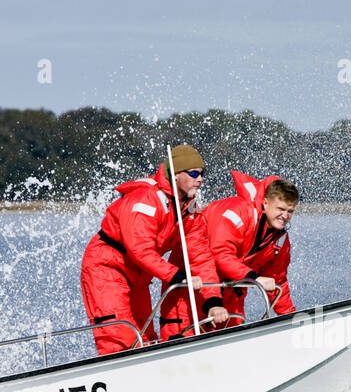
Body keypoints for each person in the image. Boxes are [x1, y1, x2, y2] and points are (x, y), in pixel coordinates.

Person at [80, 145, 228, 355]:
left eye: (203, 173)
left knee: (147, 338)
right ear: (176, 176)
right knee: (120, 336)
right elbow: (139, 250)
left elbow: (201, 258)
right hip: (106, 269)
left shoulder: (191, 211)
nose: (200, 179)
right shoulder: (145, 200)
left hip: (139, 277)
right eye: (194, 173)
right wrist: (177, 275)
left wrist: (213, 300)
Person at [160, 171, 298, 331]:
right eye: (280, 209)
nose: (285, 216)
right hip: (192, 284)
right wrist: (254, 277)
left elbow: (277, 280)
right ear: (266, 203)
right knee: (182, 334)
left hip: (232, 293)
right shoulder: (235, 213)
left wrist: (291, 319)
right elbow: (219, 255)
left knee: (233, 338)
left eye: (290, 211)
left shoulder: (279, 240)